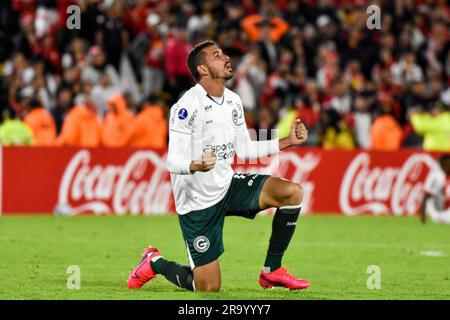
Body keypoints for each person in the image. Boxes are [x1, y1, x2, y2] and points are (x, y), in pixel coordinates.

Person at [128, 40, 310, 292]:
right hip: (197, 204)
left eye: (223, 54)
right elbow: (172, 160)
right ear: (202, 69)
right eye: (216, 55)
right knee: (208, 287)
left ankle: (272, 270)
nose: (225, 58)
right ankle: (154, 262)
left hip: (226, 186)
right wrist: (194, 165)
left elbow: (244, 149)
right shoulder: (185, 107)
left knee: (292, 193)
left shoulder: (233, 101)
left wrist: (287, 142)